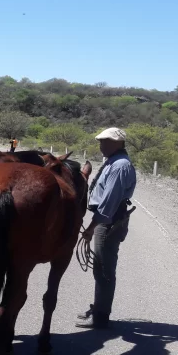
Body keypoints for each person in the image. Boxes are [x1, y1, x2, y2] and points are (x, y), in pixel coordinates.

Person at [75, 127, 136, 329]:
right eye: (101, 141)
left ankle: (101, 316)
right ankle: (100, 307)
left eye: (106, 142)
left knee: (104, 269)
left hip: (109, 222)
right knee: (101, 267)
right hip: (110, 220)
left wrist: (91, 227)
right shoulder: (114, 162)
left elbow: (108, 204)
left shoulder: (119, 166)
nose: (101, 145)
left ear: (118, 143)